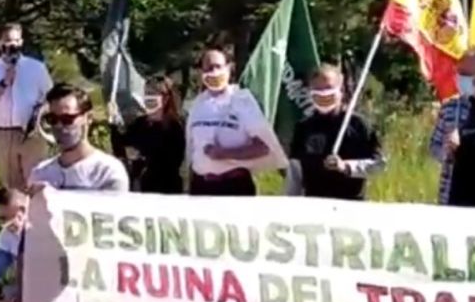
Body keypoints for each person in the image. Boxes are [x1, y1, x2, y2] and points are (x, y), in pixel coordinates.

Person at [185, 48, 279, 196]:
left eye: (218, 66)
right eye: (208, 68)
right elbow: (191, 149)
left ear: (229, 68)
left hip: (234, 185)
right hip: (201, 186)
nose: (214, 72)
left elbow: (264, 147)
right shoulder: (197, 104)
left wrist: (225, 154)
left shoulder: (243, 100)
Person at [287, 64, 385, 200]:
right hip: (313, 203)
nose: (323, 94)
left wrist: (347, 167)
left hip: (351, 204)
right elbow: (295, 171)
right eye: (318, 90)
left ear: (341, 90)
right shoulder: (304, 127)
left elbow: (379, 164)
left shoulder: (359, 125)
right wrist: (290, 203)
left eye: (328, 88)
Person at [0, 23, 53, 192]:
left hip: (31, 134)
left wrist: (40, 114)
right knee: (12, 188)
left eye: (17, 40)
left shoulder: (36, 67)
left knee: (36, 184)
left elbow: (51, 97)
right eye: (8, 40)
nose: (13, 44)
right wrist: (4, 83)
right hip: (4, 134)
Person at [24, 83, 129, 194]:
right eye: (52, 119)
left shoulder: (107, 172)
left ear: (88, 118)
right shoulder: (40, 174)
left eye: (67, 119)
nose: (59, 126)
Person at [431, 48, 475, 207]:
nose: (461, 79)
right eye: (459, 73)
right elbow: (434, 147)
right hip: (455, 198)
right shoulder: (450, 108)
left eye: (466, 75)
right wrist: (446, 149)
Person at [109, 75, 186, 194]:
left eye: (153, 94)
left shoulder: (175, 127)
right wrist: (113, 123)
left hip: (166, 190)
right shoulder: (139, 123)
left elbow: (173, 161)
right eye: (146, 93)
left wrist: (142, 156)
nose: (148, 98)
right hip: (140, 189)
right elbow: (120, 148)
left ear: (165, 98)